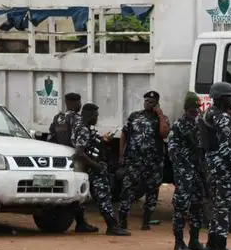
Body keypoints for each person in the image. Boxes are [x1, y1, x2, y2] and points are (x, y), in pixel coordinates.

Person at [198, 82, 231, 250]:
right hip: (223, 167)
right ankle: (221, 249)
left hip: (211, 165)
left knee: (216, 206)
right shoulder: (222, 118)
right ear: (222, 98)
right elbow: (225, 147)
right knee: (223, 207)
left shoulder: (208, 114)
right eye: (230, 97)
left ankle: (211, 245)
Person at [73, 103, 130, 236]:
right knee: (103, 197)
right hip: (93, 169)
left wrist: (102, 140)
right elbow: (80, 152)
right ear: (90, 115)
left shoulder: (81, 127)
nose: (97, 118)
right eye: (96, 116)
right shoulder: (83, 129)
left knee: (80, 199)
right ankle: (112, 226)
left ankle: (81, 224)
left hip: (86, 168)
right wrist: (96, 165)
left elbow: (87, 146)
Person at [118, 90, 170, 230]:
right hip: (135, 161)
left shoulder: (162, 118)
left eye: (151, 102)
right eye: (146, 101)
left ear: (157, 103)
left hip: (154, 162)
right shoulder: (135, 116)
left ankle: (146, 222)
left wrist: (159, 114)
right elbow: (124, 134)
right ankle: (122, 220)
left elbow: (164, 133)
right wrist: (121, 155)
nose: (148, 103)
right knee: (128, 189)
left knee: (152, 191)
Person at [47, 92, 98, 233]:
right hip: (75, 158)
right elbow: (79, 142)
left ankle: (77, 221)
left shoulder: (58, 118)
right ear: (74, 103)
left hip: (59, 158)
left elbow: (51, 138)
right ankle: (81, 222)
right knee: (77, 191)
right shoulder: (77, 120)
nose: (80, 105)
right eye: (78, 103)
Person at [168, 92, 206, 250]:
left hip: (197, 172)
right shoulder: (178, 126)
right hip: (184, 173)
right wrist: (182, 167)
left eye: (197, 108)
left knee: (197, 207)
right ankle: (178, 242)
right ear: (186, 108)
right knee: (181, 208)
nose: (195, 111)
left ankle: (194, 240)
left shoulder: (200, 124)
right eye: (193, 108)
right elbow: (171, 150)